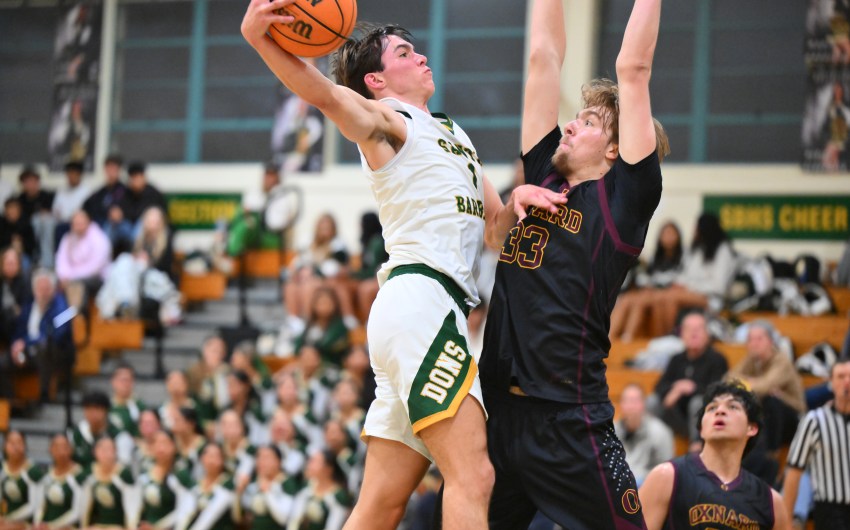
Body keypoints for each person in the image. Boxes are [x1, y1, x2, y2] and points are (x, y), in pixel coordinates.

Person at [241, 3, 567, 525]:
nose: (421, 58)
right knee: (474, 475)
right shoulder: (387, 121)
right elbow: (323, 94)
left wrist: (519, 198)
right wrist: (262, 40)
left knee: (381, 504)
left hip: (425, 311)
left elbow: (495, 231)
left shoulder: (456, 137)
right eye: (404, 52)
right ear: (375, 79)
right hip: (421, 303)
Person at [478, 0, 669, 527]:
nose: (568, 126)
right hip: (498, 412)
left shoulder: (623, 200)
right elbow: (542, 56)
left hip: (567, 417)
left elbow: (632, 70)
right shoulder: (542, 174)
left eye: (587, 123)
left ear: (614, 149)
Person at [639, 380, 791, 530]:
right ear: (701, 429)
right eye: (712, 408)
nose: (720, 411)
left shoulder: (772, 502)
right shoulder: (666, 477)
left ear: (751, 428)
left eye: (733, 406)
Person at [782, 356, 850, 529]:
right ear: (831, 383)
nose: (847, 382)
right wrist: (786, 520)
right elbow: (794, 472)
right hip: (831, 512)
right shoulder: (814, 420)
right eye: (841, 376)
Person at [647, 212, 737, 337]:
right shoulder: (698, 249)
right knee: (660, 297)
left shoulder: (723, 251)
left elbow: (718, 286)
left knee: (671, 298)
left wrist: (689, 287)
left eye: (697, 228)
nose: (694, 231)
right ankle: (658, 338)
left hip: (712, 299)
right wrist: (678, 283)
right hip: (692, 293)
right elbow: (687, 275)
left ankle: (669, 336)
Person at [648, 311, 728, 445]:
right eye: (689, 329)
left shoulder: (717, 359)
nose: (693, 333)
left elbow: (719, 391)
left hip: (705, 421)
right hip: (676, 416)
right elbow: (659, 387)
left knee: (697, 402)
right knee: (652, 401)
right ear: (681, 334)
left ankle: (697, 446)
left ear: (707, 334)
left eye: (698, 329)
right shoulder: (676, 359)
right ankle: (650, 445)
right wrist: (676, 389)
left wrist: (693, 388)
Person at [727, 321, 804, 452]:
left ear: (770, 341)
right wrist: (752, 383)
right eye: (750, 339)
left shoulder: (781, 360)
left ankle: (771, 455)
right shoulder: (751, 359)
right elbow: (728, 379)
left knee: (770, 401)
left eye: (759, 339)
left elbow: (764, 387)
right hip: (767, 416)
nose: (754, 343)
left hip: (792, 417)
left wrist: (746, 382)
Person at [5, 268, 76, 403]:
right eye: (40, 289)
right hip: (27, 352)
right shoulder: (28, 306)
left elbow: (56, 334)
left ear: (53, 289)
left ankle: (44, 396)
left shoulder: (64, 307)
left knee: (44, 349)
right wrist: (16, 344)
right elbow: (18, 331)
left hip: (56, 353)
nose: (43, 293)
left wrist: (25, 342)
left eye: (46, 288)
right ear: (34, 290)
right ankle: (12, 401)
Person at [609, 220, 684, 341]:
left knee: (641, 300)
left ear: (678, 236)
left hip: (666, 293)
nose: (668, 237)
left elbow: (681, 280)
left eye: (671, 234)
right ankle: (610, 335)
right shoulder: (655, 257)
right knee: (626, 299)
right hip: (651, 291)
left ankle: (628, 337)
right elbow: (646, 277)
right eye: (665, 234)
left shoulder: (684, 257)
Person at [613, 383, 674, 487]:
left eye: (635, 401)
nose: (631, 406)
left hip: (648, 488)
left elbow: (666, 470)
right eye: (626, 401)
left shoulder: (660, 432)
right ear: (621, 405)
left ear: (644, 404)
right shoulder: (612, 431)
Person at [54, 209, 111, 310]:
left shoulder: (99, 238)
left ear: (88, 222)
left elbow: (95, 267)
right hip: (70, 278)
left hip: (97, 278)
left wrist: (71, 277)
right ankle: (57, 320)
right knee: (50, 282)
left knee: (78, 285)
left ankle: (78, 320)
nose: (78, 226)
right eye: (76, 223)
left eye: (81, 223)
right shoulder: (68, 238)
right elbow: (61, 260)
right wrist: (64, 276)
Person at [137, 430, 194, 530]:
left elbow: (185, 509)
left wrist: (158, 527)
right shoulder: (145, 471)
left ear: (174, 447)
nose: (161, 448)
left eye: (165, 443)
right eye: (157, 443)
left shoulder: (180, 474)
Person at [235, 444, 299, 529]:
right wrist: (239, 492)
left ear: (278, 461)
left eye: (266, 458)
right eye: (258, 457)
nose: (261, 461)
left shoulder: (287, 483)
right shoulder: (254, 482)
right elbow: (239, 518)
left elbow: (283, 519)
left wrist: (268, 492)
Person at [81, 436, 139, 529]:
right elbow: (84, 506)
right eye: (102, 449)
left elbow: (132, 508)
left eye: (110, 449)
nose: (106, 453)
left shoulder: (124, 475)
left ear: (116, 452)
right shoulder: (89, 473)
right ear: (95, 452)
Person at [178, 442, 238, 530]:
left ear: (222, 460)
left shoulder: (228, 484)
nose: (212, 460)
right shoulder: (196, 484)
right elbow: (185, 514)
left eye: (216, 456)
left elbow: (212, 515)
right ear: (202, 458)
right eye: (209, 456)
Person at [288, 449, 352, 530]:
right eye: (310, 461)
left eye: (314, 461)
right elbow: (294, 520)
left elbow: (334, 526)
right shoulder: (307, 486)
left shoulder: (339, 496)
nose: (309, 465)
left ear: (328, 468)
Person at [33, 433, 86, 529]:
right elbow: (40, 506)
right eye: (56, 447)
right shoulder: (47, 475)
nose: (61, 451)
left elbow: (78, 512)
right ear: (50, 449)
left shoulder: (79, 475)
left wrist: (53, 526)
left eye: (64, 447)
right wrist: (38, 524)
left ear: (71, 449)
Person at [0, 430, 45, 528]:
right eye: (11, 443)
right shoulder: (2, 468)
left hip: (26, 522)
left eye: (19, 442)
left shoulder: (33, 472)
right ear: (4, 446)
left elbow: (34, 506)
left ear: (25, 446)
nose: (15, 447)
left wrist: (11, 520)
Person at [16, 166, 55, 268]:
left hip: (45, 230)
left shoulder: (47, 196)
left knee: (43, 221)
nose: (30, 184)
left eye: (32, 181)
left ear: (38, 182)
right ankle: (34, 256)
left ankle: (47, 261)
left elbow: (53, 214)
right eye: (27, 182)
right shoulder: (20, 200)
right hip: (27, 232)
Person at [52, 160, 92, 246]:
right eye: (69, 174)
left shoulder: (86, 192)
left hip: (78, 225)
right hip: (62, 223)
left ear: (79, 175)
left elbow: (86, 214)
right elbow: (55, 210)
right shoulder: (61, 191)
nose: (71, 176)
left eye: (74, 174)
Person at [83, 153, 128, 227]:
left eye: (114, 169)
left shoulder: (126, 191)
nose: (111, 172)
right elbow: (87, 207)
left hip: (116, 226)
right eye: (109, 168)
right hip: (99, 226)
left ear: (119, 170)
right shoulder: (100, 193)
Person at [119, 161, 167, 227]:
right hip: (130, 228)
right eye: (133, 178)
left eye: (137, 177)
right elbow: (124, 212)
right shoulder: (126, 193)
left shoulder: (153, 193)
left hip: (149, 229)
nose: (135, 181)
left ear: (143, 177)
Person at [0, 197, 37, 262]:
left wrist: (21, 245)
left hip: (22, 255)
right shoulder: (1, 224)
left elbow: (32, 245)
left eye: (15, 208)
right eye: (10, 208)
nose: (12, 211)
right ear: (5, 210)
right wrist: (10, 243)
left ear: (20, 210)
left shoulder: (26, 224)